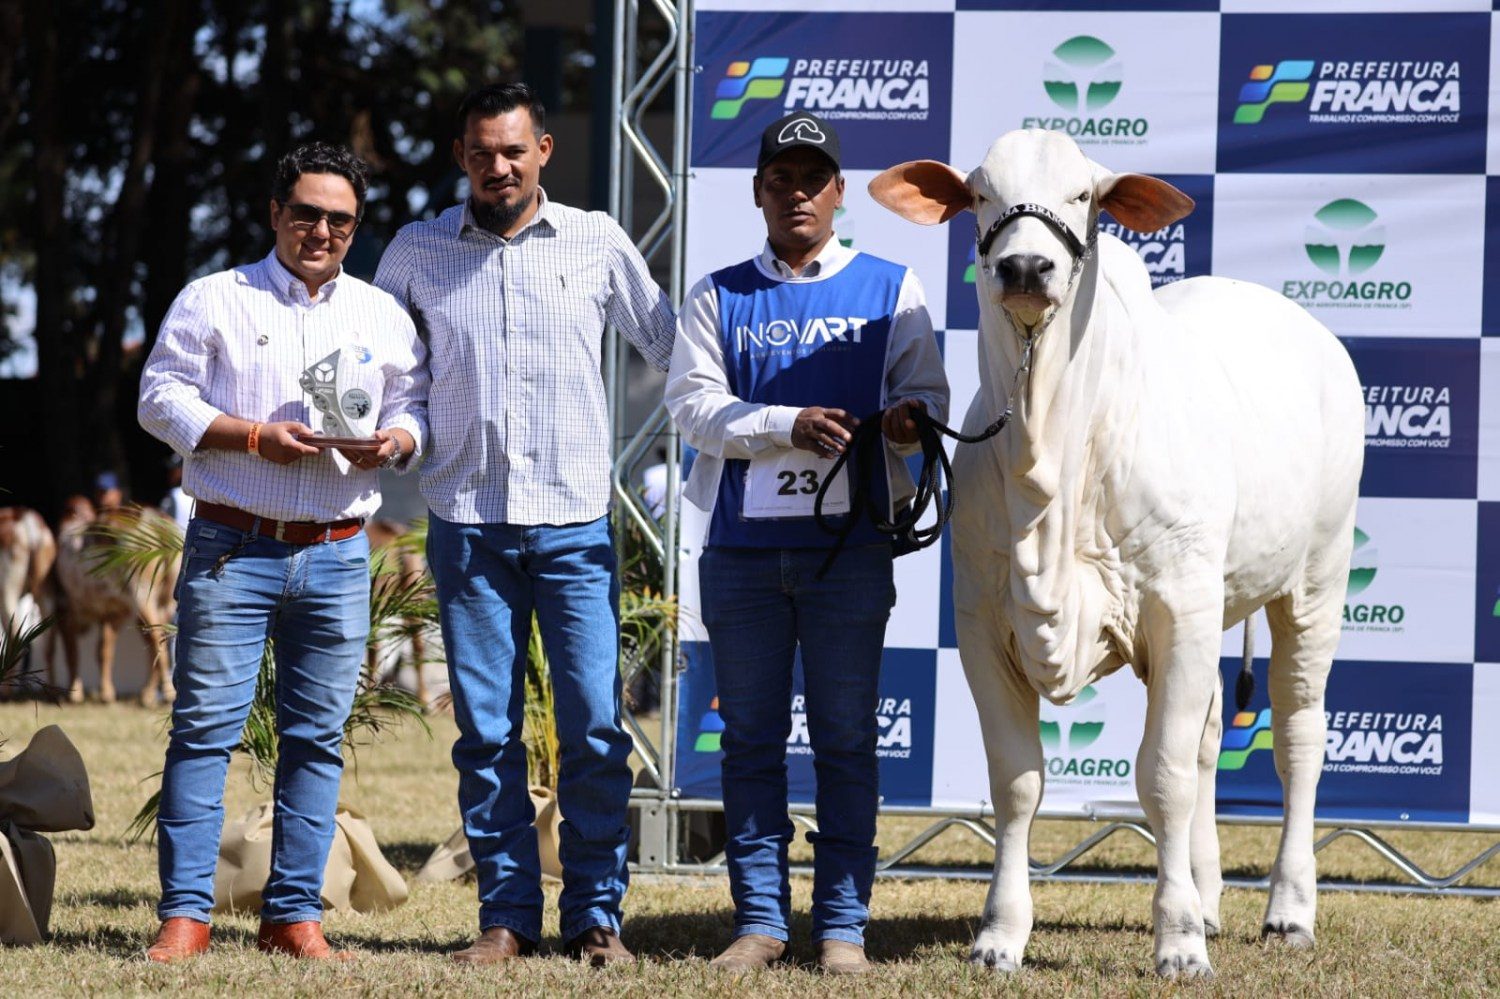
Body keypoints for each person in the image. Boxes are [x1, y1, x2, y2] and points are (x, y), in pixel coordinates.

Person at [374, 82, 675, 966]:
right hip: (466, 527)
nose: (497, 166)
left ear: (544, 148)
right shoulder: (415, 251)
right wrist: (388, 431)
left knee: (592, 728)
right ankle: (505, 918)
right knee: (487, 734)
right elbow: (391, 381)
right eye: (480, 152)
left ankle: (594, 918)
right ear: (459, 155)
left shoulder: (597, 241)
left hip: (576, 526)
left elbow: (669, 347)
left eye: (513, 150)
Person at [665, 111, 949, 975]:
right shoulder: (716, 293)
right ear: (758, 192)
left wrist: (903, 424)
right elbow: (690, 406)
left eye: (812, 179)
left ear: (837, 193)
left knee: (846, 739)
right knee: (748, 740)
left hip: (849, 553)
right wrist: (789, 422)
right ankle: (760, 921)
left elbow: (924, 397)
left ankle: (841, 929)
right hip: (741, 552)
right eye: (780, 179)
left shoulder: (892, 286)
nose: (796, 193)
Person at [137, 142, 429, 963]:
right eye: (305, 212)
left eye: (339, 218)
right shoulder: (214, 298)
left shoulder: (379, 314)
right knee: (203, 732)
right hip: (233, 544)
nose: (321, 230)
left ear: (356, 225)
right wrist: (253, 435)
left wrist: (399, 438)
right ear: (275, 213)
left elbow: (415, 405)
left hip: (338, 553)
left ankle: (293, 914)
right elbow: (159, 398)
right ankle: (185, 915)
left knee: (316, 737)